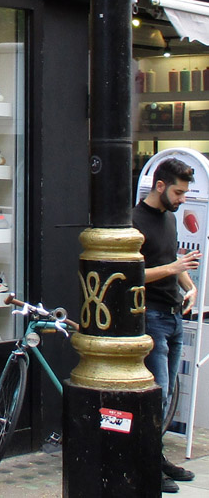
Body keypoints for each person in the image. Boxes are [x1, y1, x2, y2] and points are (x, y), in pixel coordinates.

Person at [133, 157, 200, 494]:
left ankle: (155, 456)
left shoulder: (170, 218)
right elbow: (132, 276)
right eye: (178, 192)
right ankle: (146, 461)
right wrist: (174, 269)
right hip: (152, 317)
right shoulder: (132, 221)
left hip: (174, 316)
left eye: (185, 193)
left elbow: (170, 259)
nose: (182, 199)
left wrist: (190, 286)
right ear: (159, 186)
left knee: (168, 391)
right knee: (156, 394)